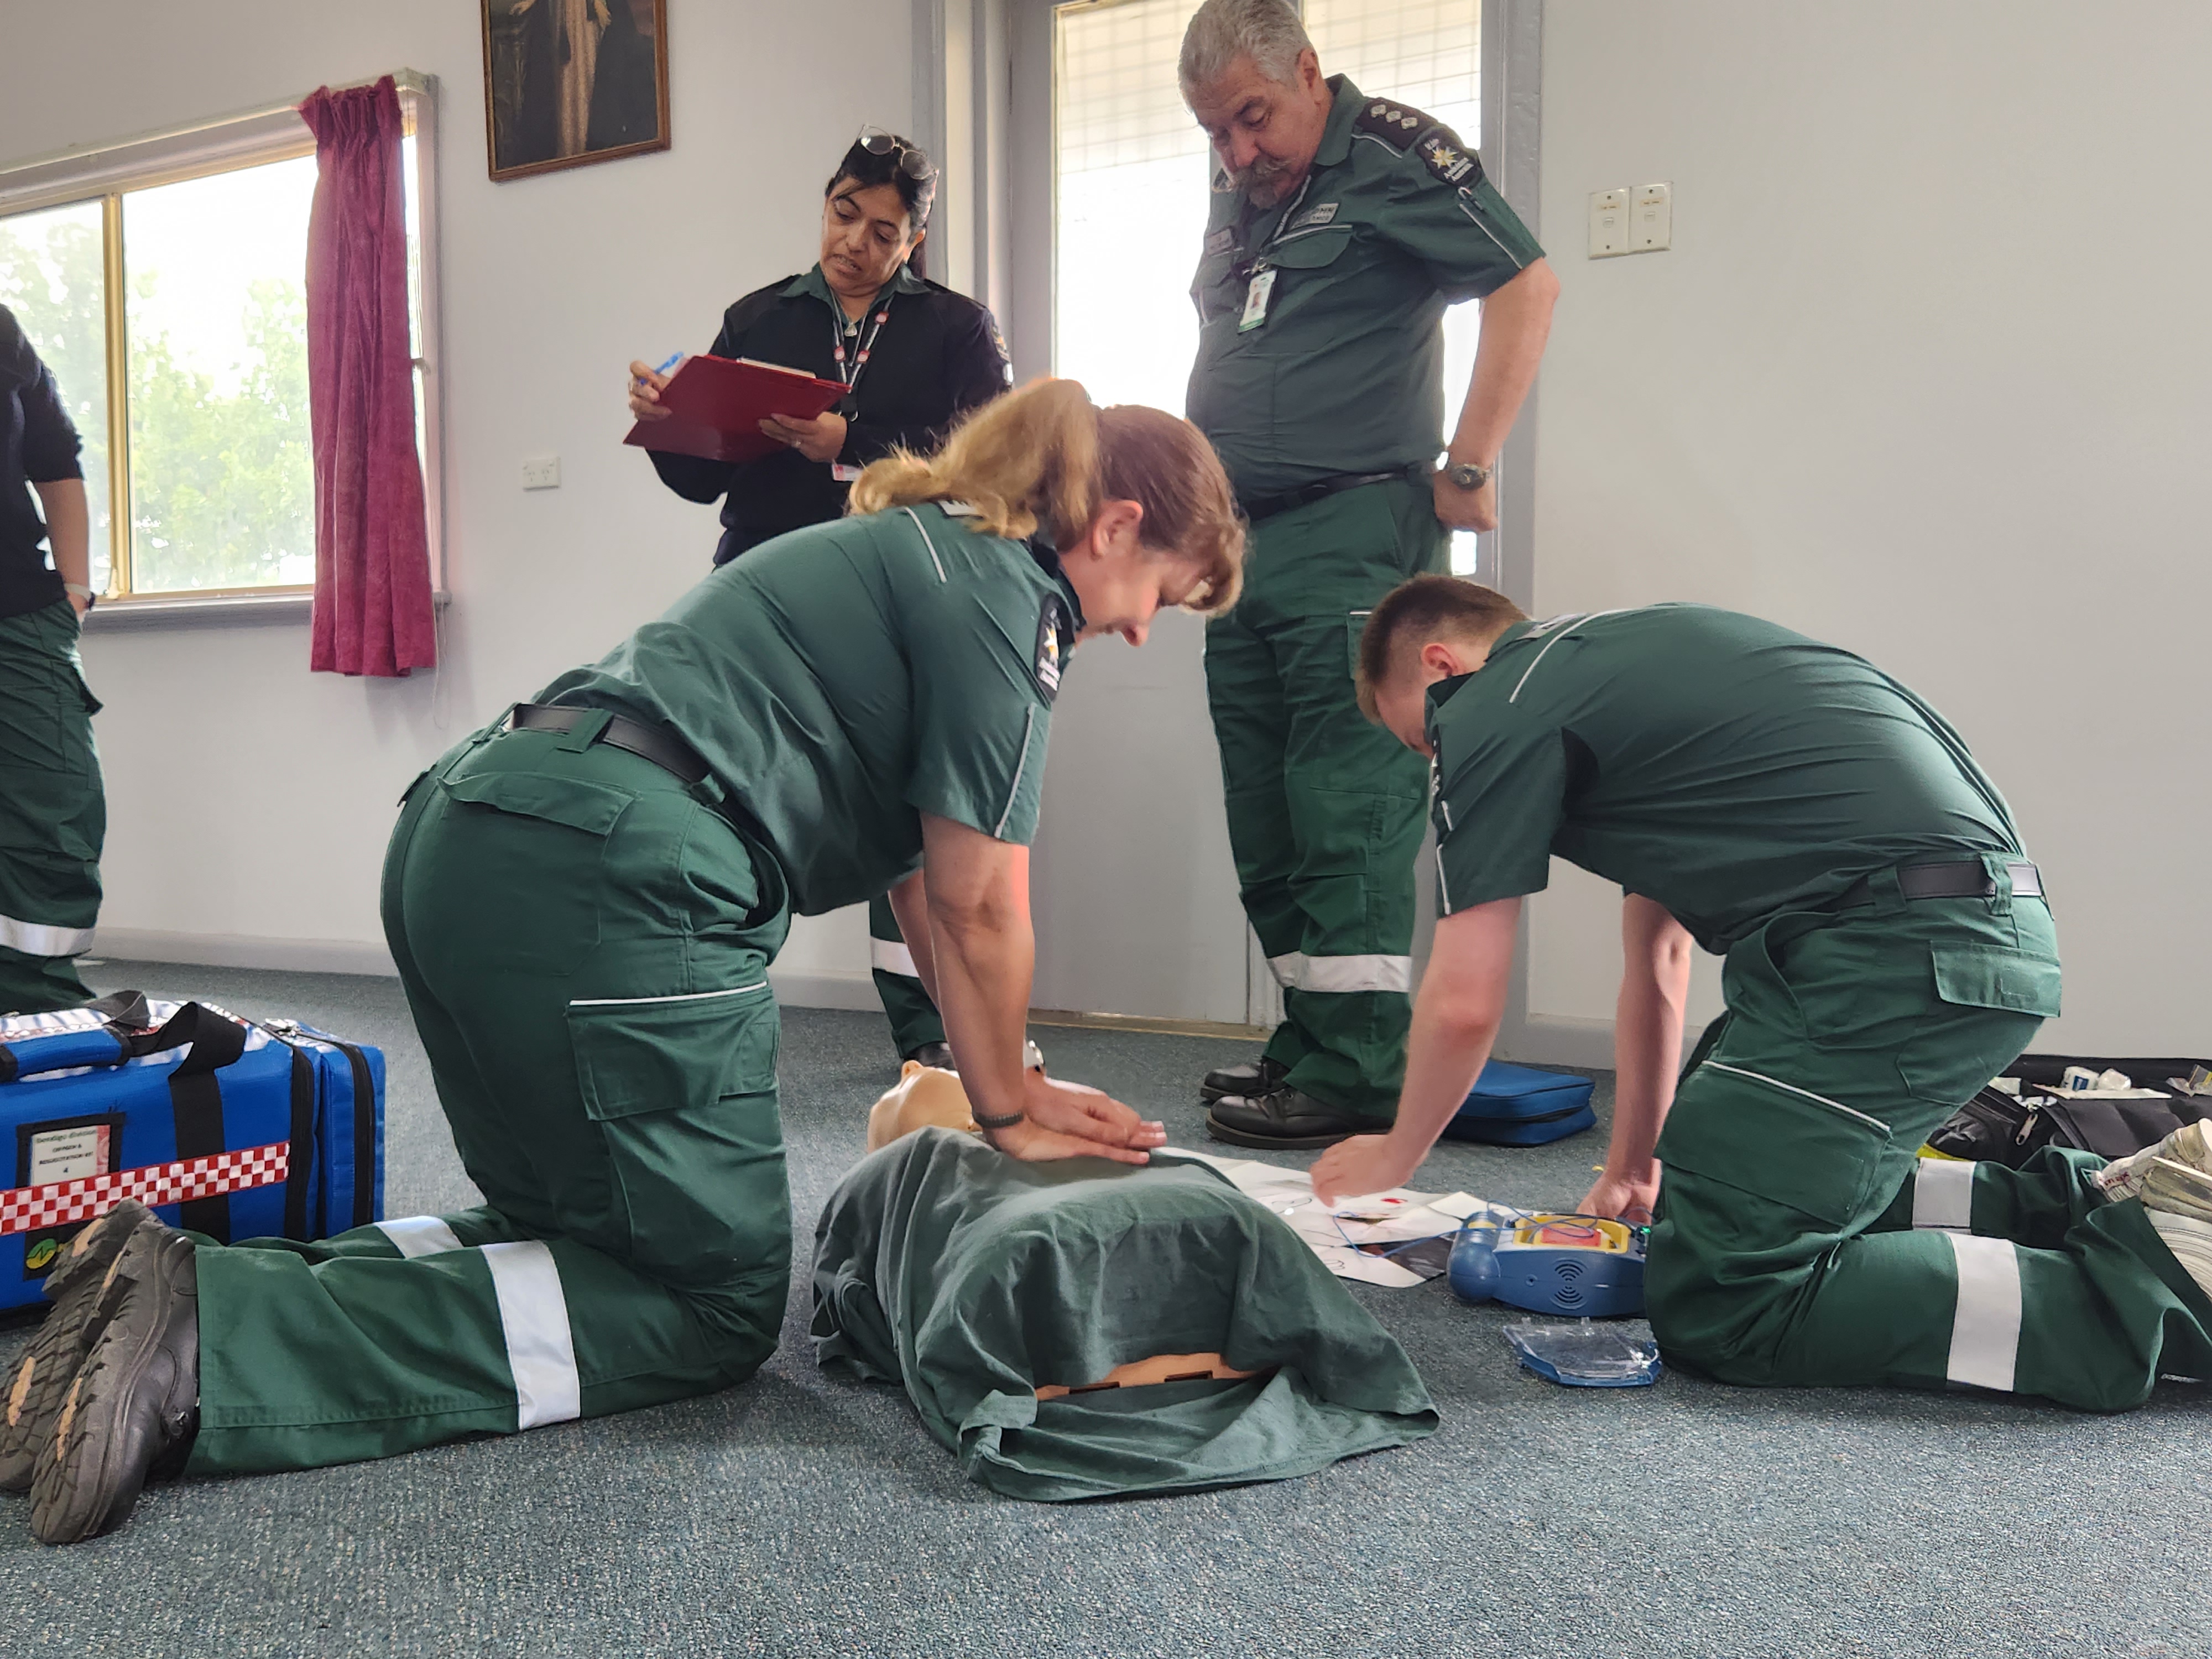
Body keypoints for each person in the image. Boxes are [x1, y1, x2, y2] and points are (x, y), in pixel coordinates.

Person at [2, 378, 1248, 1545]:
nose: (1142, 634)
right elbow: (983, 908)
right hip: (618, 882)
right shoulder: (1002, 595)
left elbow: (922, 887)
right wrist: (1013, 1111)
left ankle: (172, 1279)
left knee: (572, 1229)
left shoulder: (913, 547)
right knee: (702, 1306)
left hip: (474, 830)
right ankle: (218, 1346)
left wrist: (1002, 1086)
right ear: (1117, 524)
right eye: (1166, 596)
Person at [1311, 572, 2212, 1414]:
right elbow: (1657, 970)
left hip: (1890, 956)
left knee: (1726, 1298)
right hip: (1937, 939)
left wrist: (1395, 1155)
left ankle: (2158, 1289)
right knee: (1720, 1173)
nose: (1435, 755)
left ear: (1440, 666)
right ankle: (2097, 1198)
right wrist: (1635, 1170)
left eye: (1419, 739)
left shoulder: (1487, 706)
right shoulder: (1618, 679)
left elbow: (1466, 998)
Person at [1176, 0, 1560, 1151]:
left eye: (1252, 119)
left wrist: (1470, 461)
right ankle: (1315, 1037)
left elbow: (1524, 283)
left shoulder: (1391, 153)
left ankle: (1356, 1068)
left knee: (1344, 804)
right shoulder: (1242, 186)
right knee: (1267, 810)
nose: (1237, 153)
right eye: (1215, 134)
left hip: (1352, 529)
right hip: (1239, 546)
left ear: (1306, 70)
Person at [628, 127, 1015, 1073]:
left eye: (884, 232)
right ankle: (706, 1002)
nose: (856, 242)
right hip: (763, 589)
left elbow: (990, 462)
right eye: (847, 214)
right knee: (726, 787)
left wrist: (851, 441)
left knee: (905, 815)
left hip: (899, 590)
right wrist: (664, 420)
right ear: (828, 201)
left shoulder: (957, 329)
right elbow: (699, 480)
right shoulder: (759, 316)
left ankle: (932, 1032)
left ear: (913, 243)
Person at [0, 304, 103, 1016]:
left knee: (58, 810)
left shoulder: (2, 333)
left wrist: (73, 591)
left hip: (20, 612)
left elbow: (57, 462)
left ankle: (40, 1018)